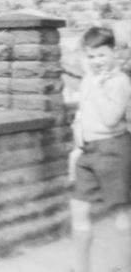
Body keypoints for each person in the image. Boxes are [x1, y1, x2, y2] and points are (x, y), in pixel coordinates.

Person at [69, 26, 131, 272]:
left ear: (113, 52)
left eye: (102, 55)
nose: (97, 61)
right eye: (92, 57)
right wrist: (76, 147)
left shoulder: (120, 81)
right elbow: (84, 114)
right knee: (79, 209)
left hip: (113, 150)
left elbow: (110, 118)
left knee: (120, 212)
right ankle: (81, 268)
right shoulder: (88, 80)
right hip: (88, 152)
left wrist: (97, 85)